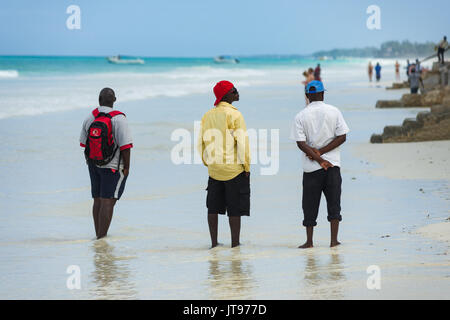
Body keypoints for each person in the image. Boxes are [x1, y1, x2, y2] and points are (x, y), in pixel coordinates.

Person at [290, 80, 349, 248]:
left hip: (311, 170)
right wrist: (322, 155)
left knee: (309, 205)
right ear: (323, 94)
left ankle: (309, 241)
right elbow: (342, 137)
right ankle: (333, 240)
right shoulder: (334, 111)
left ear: (307, 96)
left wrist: (317, 158)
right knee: (334, 203)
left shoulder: (300, 116)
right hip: (332, 167)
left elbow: (300, 143)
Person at [198, 81, 251, 248]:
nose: (237, 93)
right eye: (234, 91)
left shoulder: (208, 115)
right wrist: (246, 166)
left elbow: (201, 142)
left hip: (214, 169)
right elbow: (242, 143)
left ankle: (214, 243)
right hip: (233, 169)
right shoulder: (235, 115)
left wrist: (208, 162)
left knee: (213, 206)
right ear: (226, 95)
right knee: (234, 207)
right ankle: (235, 244)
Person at [80, 88, 133, 239]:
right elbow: (126, 146)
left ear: (99, 99)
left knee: (97, 199)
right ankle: (101, 238)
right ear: (114, 100)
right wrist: (127, 167)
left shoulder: (91, 116)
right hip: (113, 167)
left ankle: (98, 235)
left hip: (93, 164)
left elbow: (83, 143)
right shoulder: (119, 119)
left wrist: (91, 161)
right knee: (108, 201)